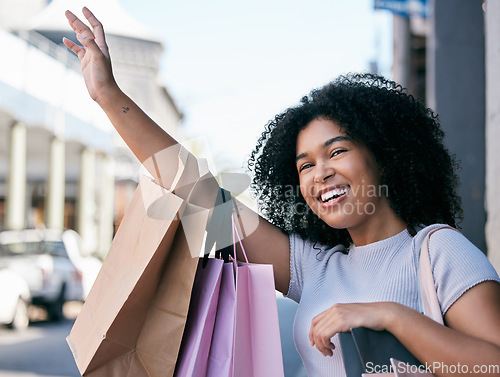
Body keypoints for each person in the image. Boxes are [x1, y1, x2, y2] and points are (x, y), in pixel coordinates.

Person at [63, 7, 500, 377]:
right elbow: (197, 195)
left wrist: (389, 315)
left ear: (384, 156)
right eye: (305, 165)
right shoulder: (315, 267)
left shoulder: (439, 251)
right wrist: (106, 95)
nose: (320, 173)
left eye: (337, 151)